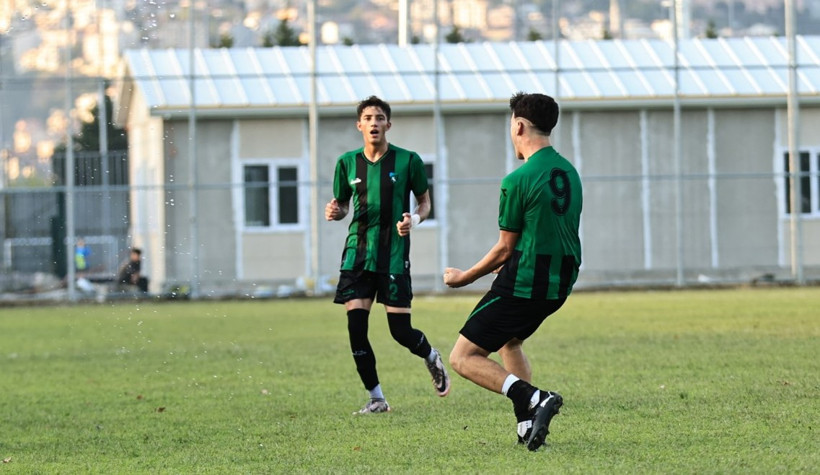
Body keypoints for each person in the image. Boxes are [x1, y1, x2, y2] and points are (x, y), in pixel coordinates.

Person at [443, 92, 582, 451]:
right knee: (510, 340)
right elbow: (547, 228)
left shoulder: (517, 180)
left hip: (525, 281)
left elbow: (505, 246)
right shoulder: (569, 172)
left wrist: (464, 277)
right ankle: (527, 423)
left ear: (519, 125)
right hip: (560, 282)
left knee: (462, 357)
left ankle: (534, 398)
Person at [325, 95, 450, 415]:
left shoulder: (408, 161)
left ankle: (431, 357)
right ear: (359, 125)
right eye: (367, 118)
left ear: (388, 125)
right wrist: (334, 211)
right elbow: (341, 207)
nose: (374, 123)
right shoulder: (346, 163)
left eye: (379, 118)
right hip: (357, 254)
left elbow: (424, 202)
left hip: (393, 254)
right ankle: (376, 398)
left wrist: (415, 220)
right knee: (356, 327)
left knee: (400, 332)